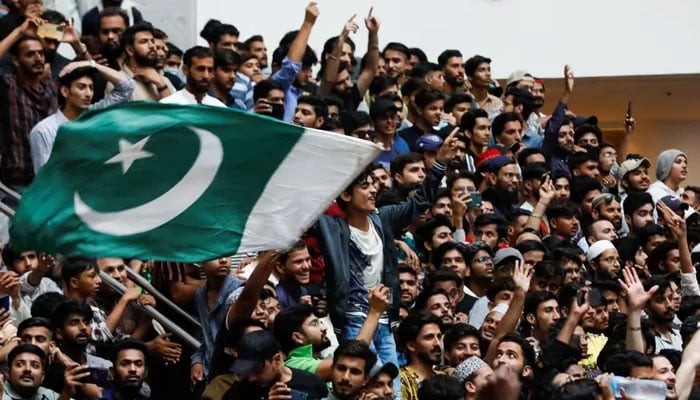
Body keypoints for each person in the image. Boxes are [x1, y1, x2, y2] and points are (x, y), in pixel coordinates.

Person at [29, 60, 134, 172]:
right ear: (65, 91)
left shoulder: (96, 115)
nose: (88, 94)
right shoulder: (45, 130)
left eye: (91, 88)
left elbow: (127, 87)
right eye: (81, 87)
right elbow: (45, 178)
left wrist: (91, 64)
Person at [0, 18, 58, 189]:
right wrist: (19, 31)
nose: (38, 58)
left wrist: (77, 44)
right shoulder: (8, 85)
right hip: (19, 183)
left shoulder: (54, 88)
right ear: (16, 61)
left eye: (41, 53)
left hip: (52, 180)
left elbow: (92, 76)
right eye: (30, 54)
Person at [222, 330, 328, 400]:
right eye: (246, 370)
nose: (251, 378)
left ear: (277, 360)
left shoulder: (312, 384)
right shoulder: (238, 395)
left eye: (257, 369)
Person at [109, 21, 174, 101]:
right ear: (130, 50)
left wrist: (161, 85)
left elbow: (174, 112)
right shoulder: (117, 81)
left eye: (152, 41)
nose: (152, 46)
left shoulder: (163, 80)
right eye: (144, 42)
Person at [3, 343, 83, 400]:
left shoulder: (48, 395)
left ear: (42, 376)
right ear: (7, 373)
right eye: (20, 364)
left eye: (35, 366)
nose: (28, 369)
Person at [398, 312, 444, 400]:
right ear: (411, 345)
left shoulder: (444, 377)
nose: (437, 343)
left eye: (439, 336)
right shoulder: (400, 380)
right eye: (429, 337)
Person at [161, 46, 226, 106]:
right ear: (185, 70)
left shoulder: (219, 109)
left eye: (210, 70)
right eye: (200, 69)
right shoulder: (169, 105)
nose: (206, 76)